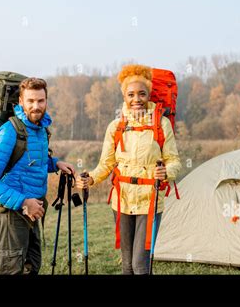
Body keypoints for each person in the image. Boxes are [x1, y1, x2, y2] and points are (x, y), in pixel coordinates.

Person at [76, 64, 181, 274]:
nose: (136, 99)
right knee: (127, 266)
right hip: (121, 201)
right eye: (131, 94)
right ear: (124, 96)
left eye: (142, 94)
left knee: (140, 265)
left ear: (149, 95)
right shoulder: (115, 127)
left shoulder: (161, 125)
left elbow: (174, 161)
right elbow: (105, 165)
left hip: (150, 201)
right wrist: (90, 179)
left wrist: (166, 173)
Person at [0, 77, 75, 275]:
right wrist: (24, 202)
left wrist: (55, 163)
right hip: (13, 212)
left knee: (32, 265)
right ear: (21, 102)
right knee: (12, 270)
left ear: (46, 101)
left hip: (33, 209)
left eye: (40, 101)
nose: (36, 106)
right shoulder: (9, 132)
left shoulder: (39, 130)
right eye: (30, 101)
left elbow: (30, 163)